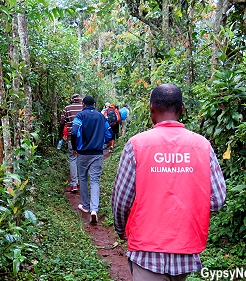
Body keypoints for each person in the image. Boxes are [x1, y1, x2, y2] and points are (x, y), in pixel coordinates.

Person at [111, 83, 226, 281]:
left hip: (145, 249)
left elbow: (121, 199)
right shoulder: (202, 146)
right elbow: (216, 200)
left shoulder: (137, 145)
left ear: (151, 108)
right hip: (186, 248)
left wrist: (121, 229)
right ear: (181, 108)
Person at [71, 96, 113, 224]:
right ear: (94, 104)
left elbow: (74, 132)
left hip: (83, 153)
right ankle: (94, 209)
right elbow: (109, 134)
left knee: (83, 178)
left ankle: (85, 206)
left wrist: (75, 147)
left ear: (83, 104)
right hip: (97, 153)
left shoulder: (80, 116)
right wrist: (101, 142)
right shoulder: (101, 117)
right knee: (95, 180)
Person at [58, 94, 83, 193]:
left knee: (73, 159)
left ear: (72, 100)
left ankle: (74, 184)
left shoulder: (67, 108)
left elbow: (62, 122)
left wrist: (60, 135)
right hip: (83, 138)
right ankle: (80, 180)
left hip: (71, 137)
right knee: (81, 158)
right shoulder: (84, 108)